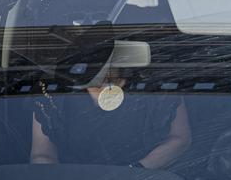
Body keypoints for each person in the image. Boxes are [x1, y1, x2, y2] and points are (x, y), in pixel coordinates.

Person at [30, 40, 191, 170]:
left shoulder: (156, 87)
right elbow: (42, 155)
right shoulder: (53, 94)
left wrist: (136, 171)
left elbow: (180, 140)